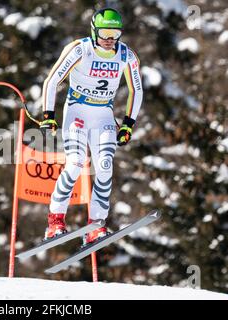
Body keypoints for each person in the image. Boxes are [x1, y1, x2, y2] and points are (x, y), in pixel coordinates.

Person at [40, 7, 143, 246]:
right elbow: (52, 80)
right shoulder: (80, 49)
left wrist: (128, 124)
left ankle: (96, 225)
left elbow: (137, 90)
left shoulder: (127, 55)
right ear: (94, 30)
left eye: (115, 34)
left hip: (103, 115)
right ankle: (55, 221)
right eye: (105, 32)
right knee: (75, 163)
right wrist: (48, 114)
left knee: (105, 167)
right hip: (77, 111)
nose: (109, 39)